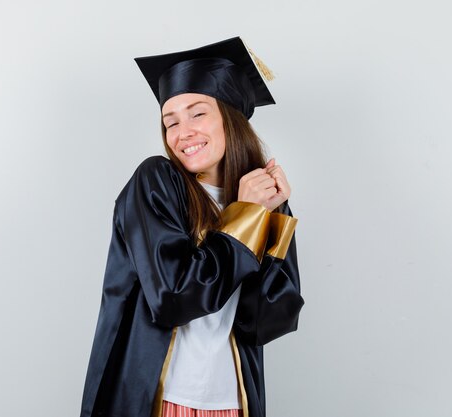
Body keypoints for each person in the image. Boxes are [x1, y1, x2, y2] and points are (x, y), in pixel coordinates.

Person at [80, 36, 304, 417]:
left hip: (233, 403)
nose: (182, 133)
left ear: (231, 118)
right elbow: (173, 298)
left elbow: (265, 322)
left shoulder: (262, 202)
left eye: (197, 113)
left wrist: (274, 221)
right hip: (159, 400)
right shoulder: (156, 182)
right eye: (171, 122)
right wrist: (245, 217)